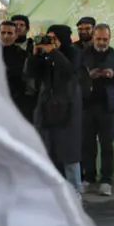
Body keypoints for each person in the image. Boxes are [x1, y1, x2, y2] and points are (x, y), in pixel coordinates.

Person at [25, 24, 84, 194]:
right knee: (46, 149)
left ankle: (74, 191)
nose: (51, 42)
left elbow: (69, 69)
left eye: (55, 38)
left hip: (68, 110)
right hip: (45, 108)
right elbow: (30, 74)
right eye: (49, 38)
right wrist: (35, 55)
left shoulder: (74, 53)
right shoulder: (46, 56)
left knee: (69, 152)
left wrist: (53, 51)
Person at [81, 22, 114, 195]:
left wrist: (113, 74)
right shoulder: (82, 55)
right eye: (99, 38)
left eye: (105, 39)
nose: (102, 42)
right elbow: (75, 77)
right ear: (93, 37)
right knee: (87, 144)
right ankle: (88, 177)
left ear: (110, 38)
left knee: (107, 145)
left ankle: (106, 180)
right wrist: (88, 76)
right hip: (86, 105)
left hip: (107, 108)